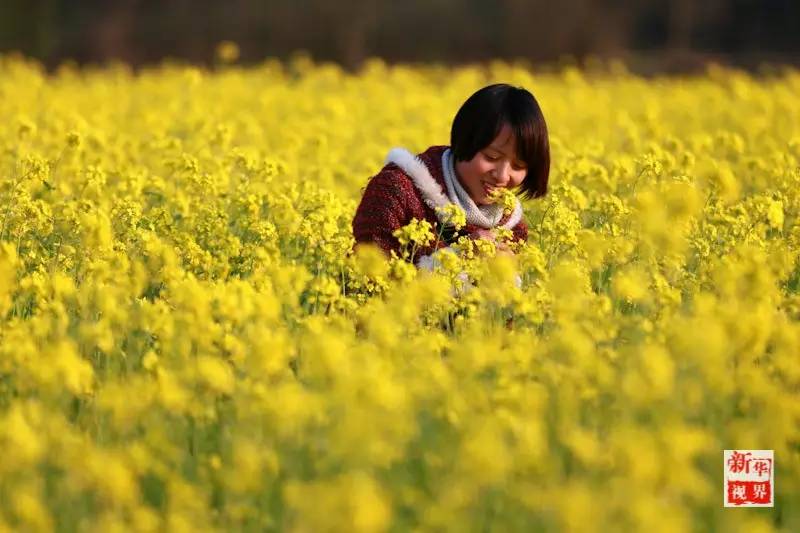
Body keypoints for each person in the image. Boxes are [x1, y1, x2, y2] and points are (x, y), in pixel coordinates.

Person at [352, 83, 550, 272]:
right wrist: (456, 259)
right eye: (492, 157)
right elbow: (366, 281)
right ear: (464, 140)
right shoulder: (395, 191)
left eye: (518, 166)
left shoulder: (511, 225)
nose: (502, 176)